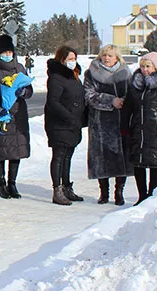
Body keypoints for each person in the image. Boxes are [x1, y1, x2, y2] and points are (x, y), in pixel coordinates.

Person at [122, 52, 157, 205]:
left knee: (155, 164)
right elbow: (127, 108)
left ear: (156, 67)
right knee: (138, 164)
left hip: (156, 131)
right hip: (138, 130)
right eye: (142, 66)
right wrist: (124, 126)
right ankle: (142, 196)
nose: (145, 69)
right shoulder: (135, 86)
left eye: (148, 66)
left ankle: (152, 195)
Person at [0, 35, 33, 199]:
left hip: (18, 114)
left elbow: (29, 90)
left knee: (16, 149)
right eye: (4, 52)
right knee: (0, 149)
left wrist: (23, 91)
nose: (8, 55)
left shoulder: (19, 68)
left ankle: (12, 183)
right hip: (0, 115)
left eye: (10, 52)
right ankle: (1, 183)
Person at [83, 44, 133, 205]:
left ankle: (119, 191)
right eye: (104, 55)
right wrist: (111, 100)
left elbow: (132, 93)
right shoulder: (92, 73)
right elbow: (89, 95)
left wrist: (124, 102)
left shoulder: (125, 73)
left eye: (110, 55)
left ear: (117, 57)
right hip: (100, 122)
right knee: (101, 158)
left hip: (121, 121)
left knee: (122, 157)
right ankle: (104, 192)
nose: (106, 58)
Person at [44, 46, 86, 206]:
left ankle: (67, 186)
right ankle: (57, 190)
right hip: (60, 124)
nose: (72, 62)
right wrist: (69, 117)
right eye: (69, 59)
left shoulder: (74, 76)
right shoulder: (56, 77)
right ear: (62, 60)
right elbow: (53, 102)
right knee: (59, 156)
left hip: (73, 123)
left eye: (74, 59)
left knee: (68, 155)